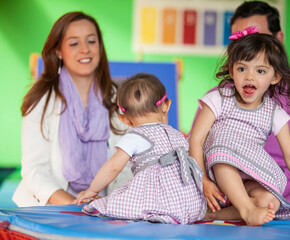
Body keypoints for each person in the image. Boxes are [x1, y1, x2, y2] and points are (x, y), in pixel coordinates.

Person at [190, 1, 290, 216]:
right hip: (220, 189)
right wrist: (205, 185)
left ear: (277, 42)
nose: (249, 50)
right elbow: (197, 144)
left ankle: (247, 209)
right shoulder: (220, 96)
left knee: (266, 201)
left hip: (271, 198)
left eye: (257, 39)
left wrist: (281, 206)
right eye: (241, 43)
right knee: (218, 154)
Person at [12, 11, 132, 207]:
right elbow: (34, 170)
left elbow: (129, 164)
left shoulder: (119, 98)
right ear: (58, 51)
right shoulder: (41, 99)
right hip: (53, 206)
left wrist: (109, 203)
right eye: (74, 43)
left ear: (100, 47)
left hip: (105, 206)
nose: (85, 49)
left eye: (91, 41)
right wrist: (73, 203)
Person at [77, 73, 206, 224]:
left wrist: (92, 190)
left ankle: (160, 214)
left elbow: (113, 167)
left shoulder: (135, 136)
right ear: (166, 106)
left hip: (162, 204)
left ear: (124, 119)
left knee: (112, 202)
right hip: (191, 206)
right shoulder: (177, 135)